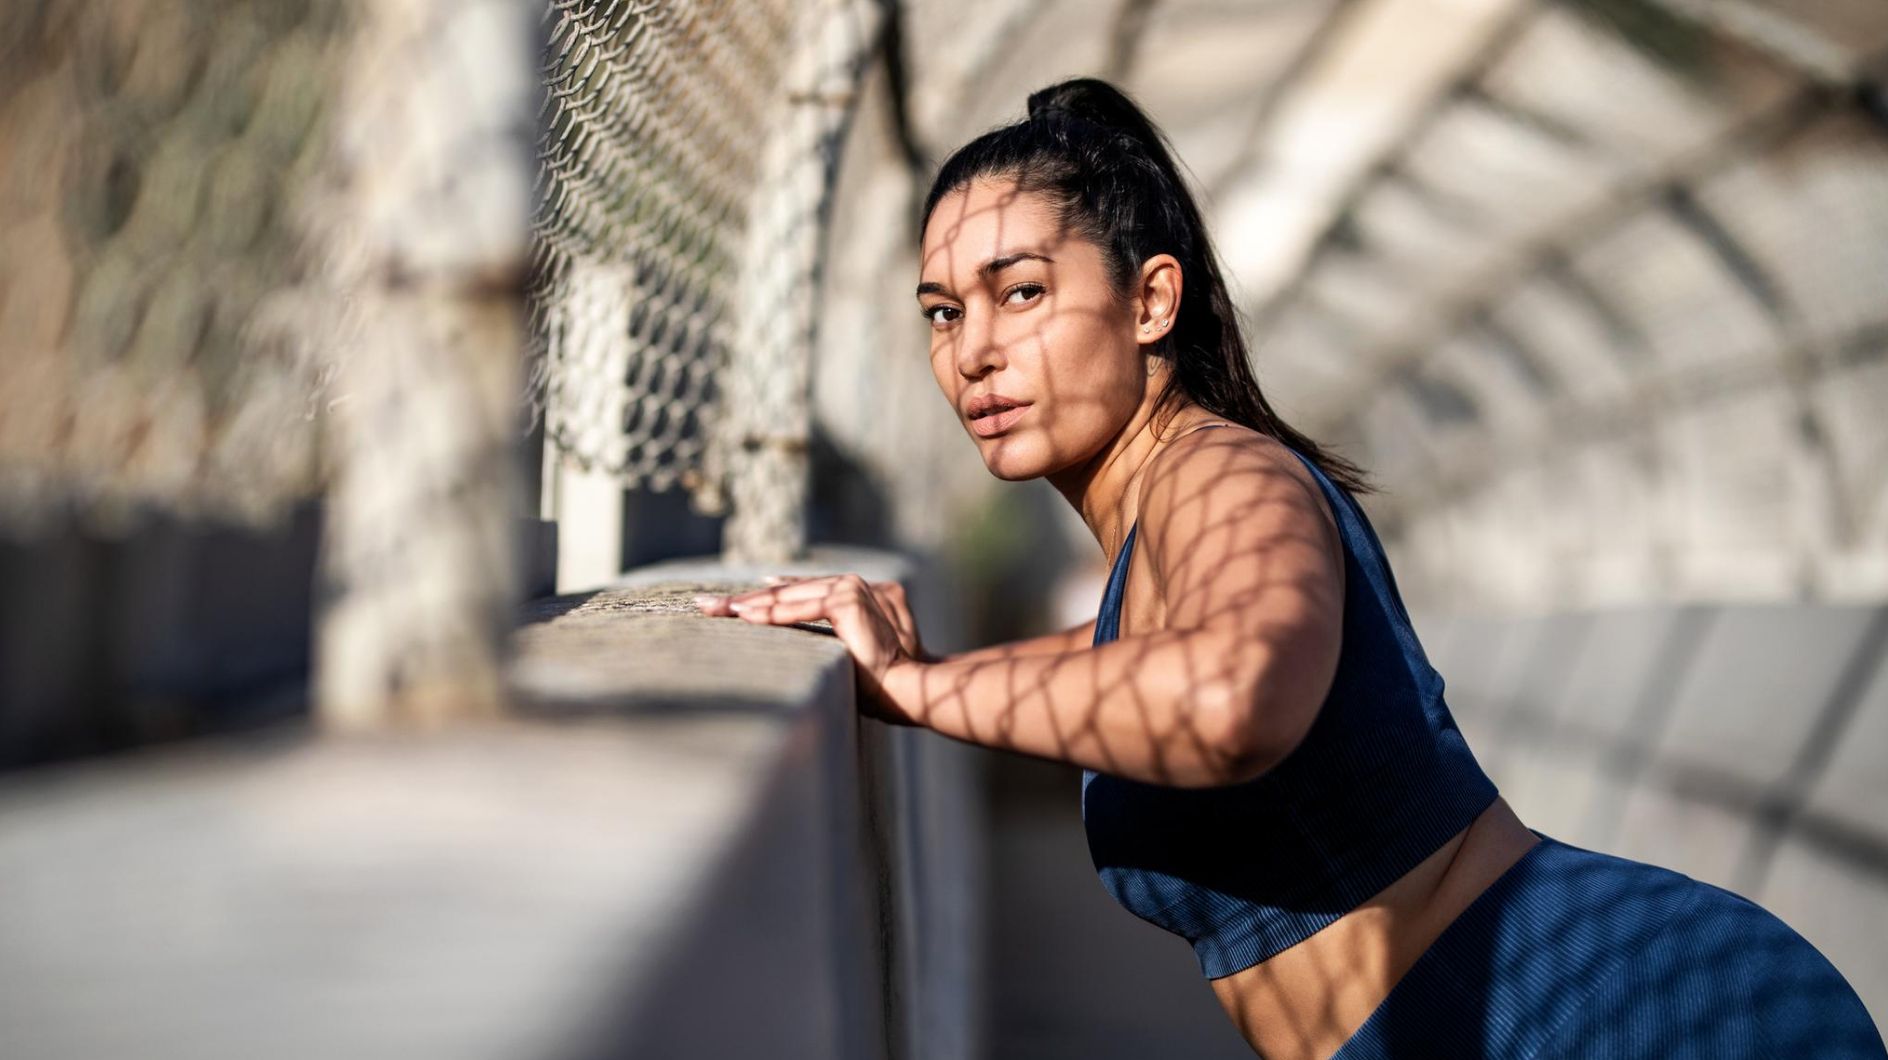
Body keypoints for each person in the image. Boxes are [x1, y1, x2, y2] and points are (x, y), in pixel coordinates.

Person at [694, 78, 1883, 1058]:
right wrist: (915, 667)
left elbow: (1227, 701)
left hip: (1610, 1013)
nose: (976, 353)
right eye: (943, 312)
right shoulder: (1157, 527)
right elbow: (1111, 662)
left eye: (1022, 293)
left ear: (1150, 300)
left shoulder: (1224, 476)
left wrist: (915, 689)